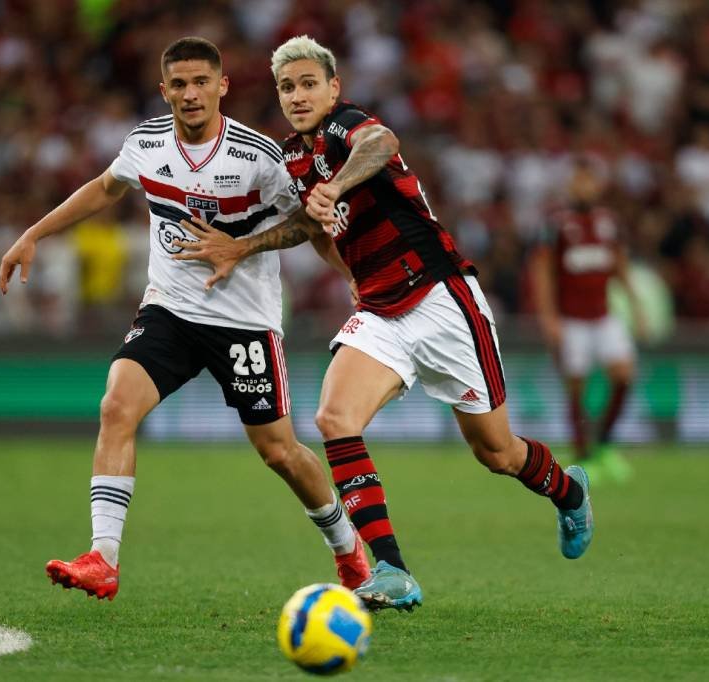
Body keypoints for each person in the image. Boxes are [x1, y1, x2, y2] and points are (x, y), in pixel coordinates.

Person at [173, 35, 595, 612]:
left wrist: (337, 185)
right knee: (333, 418)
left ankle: (569, 492)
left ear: (333, 88)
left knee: (496, 452)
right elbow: (310, 225)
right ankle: (393, 570)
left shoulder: (350, 127)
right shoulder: (293, 157)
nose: (297, 95)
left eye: (308, 84)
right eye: (287, 87)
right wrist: (244, 248)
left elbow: (380, 142)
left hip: (442, 296)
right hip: (379, 309)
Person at [0, 37, 369, 601]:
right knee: (116, 405)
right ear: (163, 89)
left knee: (279, 452)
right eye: (179, 84)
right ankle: (104, 557)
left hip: (243, 320)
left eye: (201, 82)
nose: (190, 94)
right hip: (170, 309)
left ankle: (348, 549)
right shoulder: (145, 143)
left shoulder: (260, 157)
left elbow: (309, 227)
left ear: (223, 86)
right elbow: (104, 188)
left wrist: (341, 276)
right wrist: (33, 233)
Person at [533, 158, 643, 484]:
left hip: (604, 315)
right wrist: (549, 317)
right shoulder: (558, 224)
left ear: (598, 185)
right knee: (576, 386)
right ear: (571, 185)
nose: (583, 187)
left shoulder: (609, 221)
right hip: (572, 320)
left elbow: (619, 264)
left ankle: (605, 444)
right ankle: (584, 456)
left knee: (624, 375)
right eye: (578, 181)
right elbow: (542, 273)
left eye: (589, 181)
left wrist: (635, 303)